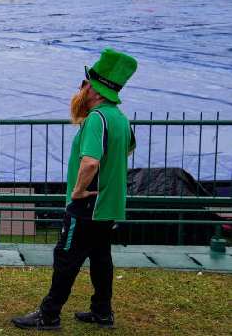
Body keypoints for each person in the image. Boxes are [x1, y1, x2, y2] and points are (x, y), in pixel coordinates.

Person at [11, 48, 138, 331]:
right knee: (101, 258)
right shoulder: (121, 118)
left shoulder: (96, 119)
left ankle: (49, 314)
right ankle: (102, 312)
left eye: (84, 83)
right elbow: (125, 150)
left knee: (66, 257)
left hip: (88, 204)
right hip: (109, 204)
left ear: (94, 89)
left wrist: (79, 191)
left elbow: (91, 162)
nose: (80, 88)